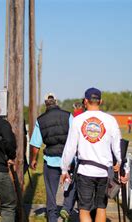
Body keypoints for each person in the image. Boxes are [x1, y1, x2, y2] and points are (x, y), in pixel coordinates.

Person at [60, 87, 128, 222]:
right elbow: (118, 148)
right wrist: (124, 169)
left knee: (84, 209)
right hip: (104, 172)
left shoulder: (78, 120)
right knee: (101, 208)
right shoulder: (110, 120)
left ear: (85, 101)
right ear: (100, 101)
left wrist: (64, 169)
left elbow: (70, 148)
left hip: (85, 171)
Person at [29, 93, 76, 222]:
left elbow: (35, 145)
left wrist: (33, 160)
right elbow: (75, 137)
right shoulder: (68, 116)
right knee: (71, 185)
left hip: (50, 160)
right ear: (56, 101)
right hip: (69, 160)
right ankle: (66, 208)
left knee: (51, 191)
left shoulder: (41, 120)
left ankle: (52, 217)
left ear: (45, 103)